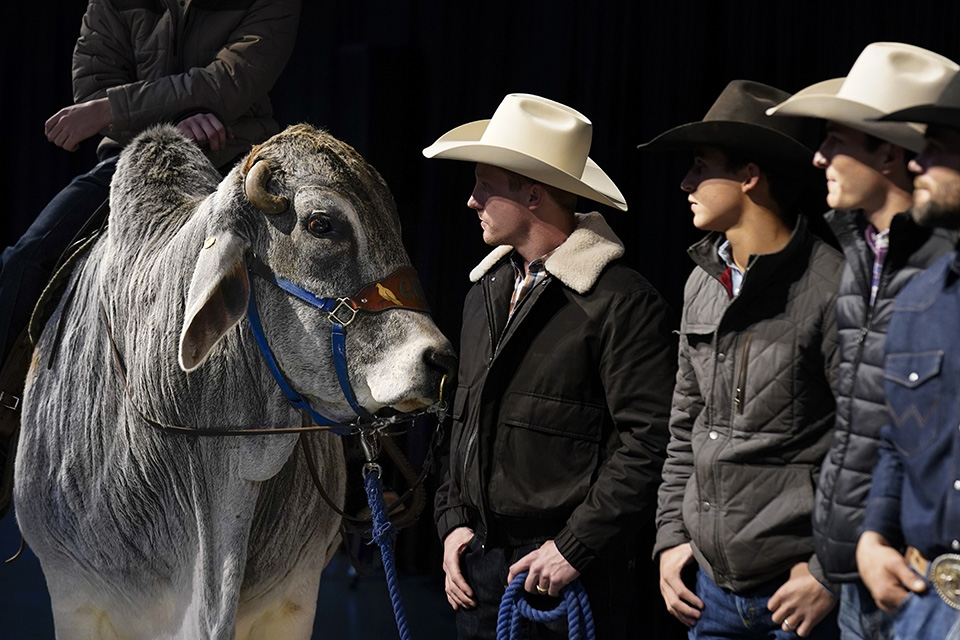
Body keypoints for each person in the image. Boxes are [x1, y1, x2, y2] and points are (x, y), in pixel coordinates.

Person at [0, 0, 301, 519]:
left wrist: (116, 109)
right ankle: (7, 420)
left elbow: (231, 81)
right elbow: (92, 89)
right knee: (24, 258)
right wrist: (171, 123)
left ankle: (352, 456)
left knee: (321, 257)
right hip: (136, 159)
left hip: (238, 156)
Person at [424, 93, 677, 639]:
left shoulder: (620, 301)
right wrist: (451, 523)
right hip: (480, 570)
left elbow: (649, 441)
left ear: (533, 194)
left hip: (566, 574)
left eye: (485, 185)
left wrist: (573, 547)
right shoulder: (486, 291)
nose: (472, 201)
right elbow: (458, 421)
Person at [765, 42, 958, 640]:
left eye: (836, 142)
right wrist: (851, 545)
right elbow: (878, 427)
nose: (818, 158)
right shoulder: (861, 260)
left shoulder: (937, 267)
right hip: (874, 564)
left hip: (912, 567)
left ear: (891, 152)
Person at [640, 80, 844, 639]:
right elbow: (685, 425)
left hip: (798, 595)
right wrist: (669, 539)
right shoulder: (701, 283)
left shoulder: (832, 286)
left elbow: (863, 443)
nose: (685, 182)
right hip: (710, 591)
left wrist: (829, 570)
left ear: (750, 176)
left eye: (702, 166)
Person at [855, 73, 960, 640]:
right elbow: (900, 440)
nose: (917, 163)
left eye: (939, 146)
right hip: (926, 602)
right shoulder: (919, 301)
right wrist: (873, 535)